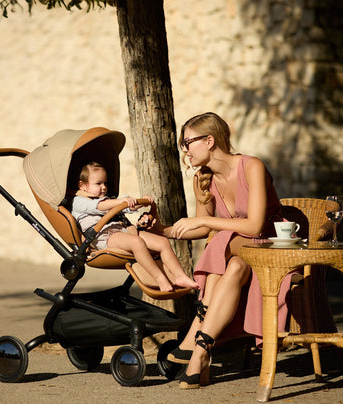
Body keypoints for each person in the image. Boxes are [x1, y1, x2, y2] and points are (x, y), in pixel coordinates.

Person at [146, 112, 292, 389]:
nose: (185, 150)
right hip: (239, 256)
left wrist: (202, 219)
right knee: (233, 265)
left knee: (221, 239)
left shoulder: (252, 167)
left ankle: (193, 335)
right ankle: (200, 353)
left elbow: (254, 225)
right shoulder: (203, 178)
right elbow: (199, 230)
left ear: (210, 141)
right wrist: (159, 229)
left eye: (188, 142)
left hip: (272, 245)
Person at [71, 161, 198, 293]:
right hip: (104, 238)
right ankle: (160, 279)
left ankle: (180, 276)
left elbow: (126, 208)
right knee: (137, 242)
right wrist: (120, 202)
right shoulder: (79, 201)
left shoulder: (108, 199)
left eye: (105, 183)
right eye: (98, 183)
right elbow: (99, 207)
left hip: (122, 231)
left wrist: (140, 202)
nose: (103, 187)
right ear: (82, 185)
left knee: (162, 242)